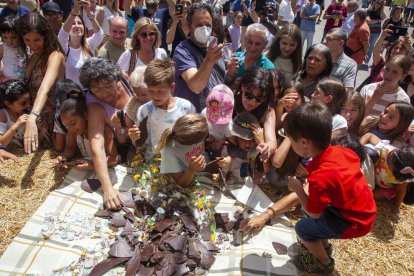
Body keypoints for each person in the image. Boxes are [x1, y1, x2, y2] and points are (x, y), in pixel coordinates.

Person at [285, 101, 376, 274]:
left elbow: (315, 213)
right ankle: (323, 247)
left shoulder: (322, 177)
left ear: (304, 141)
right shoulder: (342, 151)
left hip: (353, 221)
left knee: (302, 228)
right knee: (308, 214)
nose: (290, 143)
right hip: (359, 209)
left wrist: (298, 188)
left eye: (290, 140)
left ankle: (323, 264)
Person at [79, 57, 133, 210]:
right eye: (96, 89)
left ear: (118, 79)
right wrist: (108, 188)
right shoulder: (95, 105)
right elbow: (97, 146)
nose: (103, 93)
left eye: (108, 86)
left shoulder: (127, 79)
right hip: (124, 144)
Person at [17, 12, 65, 153]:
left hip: (51, 123)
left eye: (36, 40)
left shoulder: (55, 56)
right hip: (36, 118)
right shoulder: (33, 55)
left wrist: (33, 116)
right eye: (27, 40)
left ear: (46, 35)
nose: (32, 44)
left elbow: (44, 88)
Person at [129, 58, 196, 156]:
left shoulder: (186, 108)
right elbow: (141, 145)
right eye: (151, 91)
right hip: (153, 166)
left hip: (181, 164)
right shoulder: (144, 111)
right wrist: (134, 139)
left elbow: (194, 139)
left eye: (160, 91)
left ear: (172, 87)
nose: (155, 96)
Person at [172, 2, 226, 112]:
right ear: (188, 25)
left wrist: (231, 71)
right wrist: (209, 61)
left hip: (216, 115)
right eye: (200, 26)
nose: (205, 30)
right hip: (193, 118)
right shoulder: (182, 51)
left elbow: (221, 77)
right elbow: (195, 86)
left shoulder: (215, 44)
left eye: (208, 25)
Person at [56, 89, 119, 171]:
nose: (70, 128)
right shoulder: (73, 130)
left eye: (73, 123)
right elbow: (70, 148)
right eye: (67, 125)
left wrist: (93, 165)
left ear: (85, 115)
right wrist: (63, 157)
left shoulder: (103, 129)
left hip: (106, 170)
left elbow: (114, 158)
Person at [360, 133, 414, 211]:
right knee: (369, 150)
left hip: (385, 187)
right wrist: (358, 147)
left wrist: (396, 206)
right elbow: (369, 135)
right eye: (394, 173)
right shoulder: (384, 149)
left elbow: (401, 190)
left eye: (398, 178)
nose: (395, 176)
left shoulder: (407, 175)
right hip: (371, 174)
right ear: (392, 155)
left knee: (368, 195)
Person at [233, 67, 277, 163]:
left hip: (252, 155)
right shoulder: (231, 99)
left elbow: (272, 141)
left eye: (259, 99)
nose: (252, 102)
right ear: (242, 87)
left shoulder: (268, 112)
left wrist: (267, 147)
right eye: (248, 96)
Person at [58, 0, 104, 86]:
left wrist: (88, 12)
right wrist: (75, 11)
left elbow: (99, 35)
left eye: (79, 23)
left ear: (84, 27)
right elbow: (62, 35)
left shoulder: (89, 44)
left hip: (90, 93)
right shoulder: (64, 47)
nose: (77, 26)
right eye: (73, 24)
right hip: (73, 95)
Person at [157, 113, 209, 187]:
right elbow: (180, 183)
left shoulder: (199, 130)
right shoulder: (169, 150)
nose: (206, 139)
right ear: (191, 144)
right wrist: (191, 169)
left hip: (202, 174)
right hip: (189, 182)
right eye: (205, 138)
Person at [0, 80, 29, 147]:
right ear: (8, 103)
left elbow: (29, 145)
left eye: (28, 101)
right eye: (23, 103)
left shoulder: (27, 112)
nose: (27, 105)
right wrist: (16, 125)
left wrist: (41, 132)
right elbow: (1, 144)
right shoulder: (3, 115)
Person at [0, 16, 25, 82]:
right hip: (7, 80)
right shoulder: (3, 48)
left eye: (13, 37)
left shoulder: (25, 46)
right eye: (5, 37)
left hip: (23, 80)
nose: (9, 41)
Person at [365, 0, 386, 66]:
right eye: (377, 3)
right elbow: (368, 21)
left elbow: (384, 17)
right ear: (375, 3)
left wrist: (382, 9)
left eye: (380, 4)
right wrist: (378, 21)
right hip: (369, 31)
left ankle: (366, 61)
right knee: (366, 45)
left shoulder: (380, 12)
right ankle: (362, 57)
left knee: (371, 46)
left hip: (376, 32)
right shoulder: (369, 10)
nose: (378, 5)